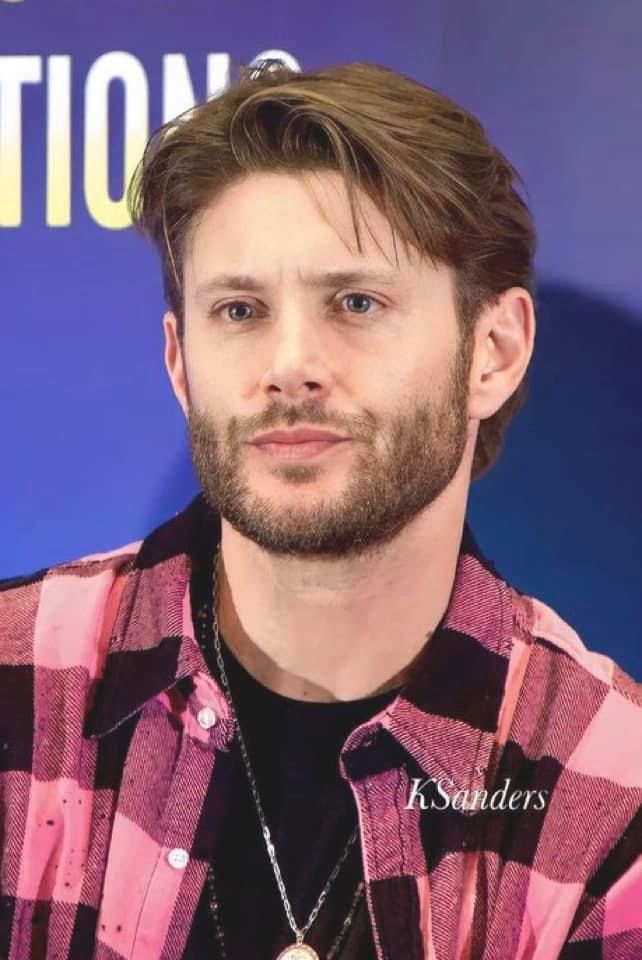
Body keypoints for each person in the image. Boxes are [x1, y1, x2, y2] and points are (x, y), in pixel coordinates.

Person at [1, 59, 641, 960]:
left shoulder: (611, 794)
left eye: (356, 302)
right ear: (181, 365)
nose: (290, 362)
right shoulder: (14, 681)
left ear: (492, 353)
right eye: (240, 309)